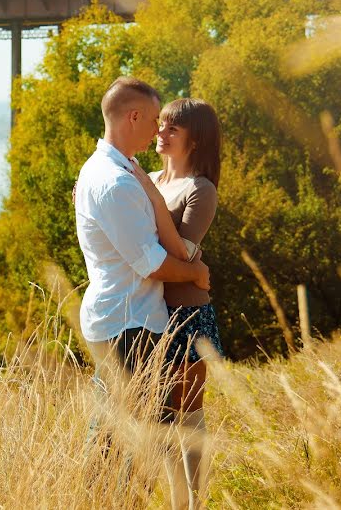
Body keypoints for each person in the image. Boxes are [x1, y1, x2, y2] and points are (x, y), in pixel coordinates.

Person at [74, 77, 210, 488]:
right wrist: (195, 273)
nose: (157, 130)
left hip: (123, 318)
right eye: (153, 119)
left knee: (120, 432)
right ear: (133, 116)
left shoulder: (113, 171)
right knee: (126, 447)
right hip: (128, 324)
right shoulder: (116, 181)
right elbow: (150, 263)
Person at [130, 97, 222, 509]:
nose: (160, 133)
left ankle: (196, 504)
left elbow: (183, 251)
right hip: (150, 310)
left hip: (186, 313)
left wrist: (149, 192)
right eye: (161, 125)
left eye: (172, 129)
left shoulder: (200, 189)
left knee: (187, 415)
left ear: (195, 141)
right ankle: (176, 501)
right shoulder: (149, 178)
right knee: (161, 418)